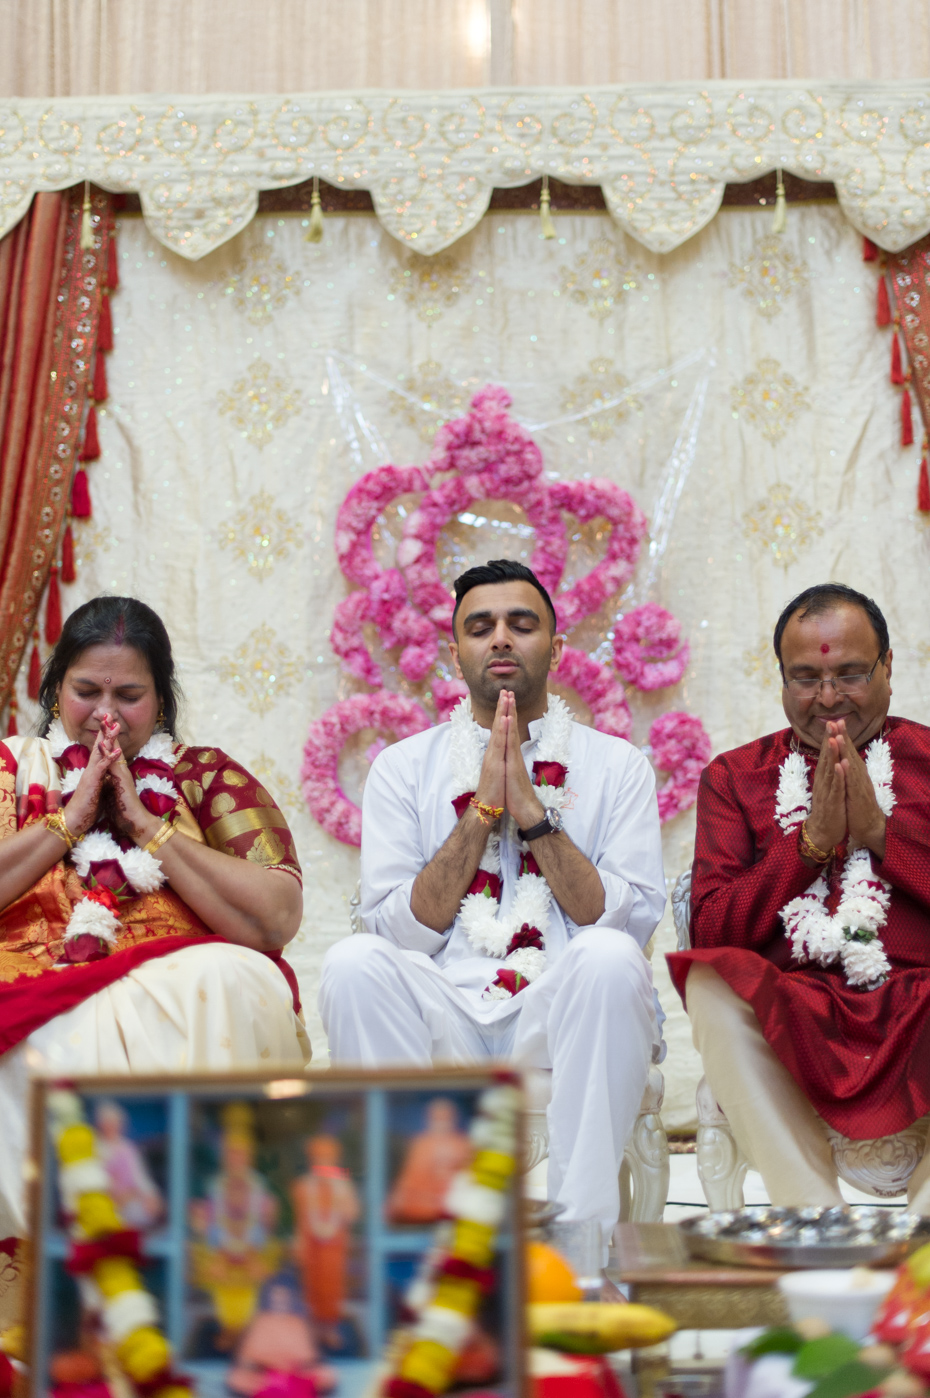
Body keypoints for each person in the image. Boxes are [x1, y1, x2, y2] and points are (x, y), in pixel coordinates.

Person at [320, 559, 666, 1243]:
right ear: (456, 653)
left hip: (560, 1002)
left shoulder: (618, 767)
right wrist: (481, 810)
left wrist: (534, 814)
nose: (501, 639)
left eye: (521, 624)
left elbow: (624, 920)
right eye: (480, 627)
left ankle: (582, 1252)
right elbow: (401, 933)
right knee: (355, 963)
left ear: (557, 648)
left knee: (608, 958)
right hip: (445, 1004)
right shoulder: (402, 769)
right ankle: (411, 1251)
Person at [0, 595, 309, 1240]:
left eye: (130, 696)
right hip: (28, 990)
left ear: (162, 702)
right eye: (87, 691)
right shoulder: (10, 768)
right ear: (56, 690)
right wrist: (67, 823)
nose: (105, 715)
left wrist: (147, 824)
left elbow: (276, 919)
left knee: (228, 975)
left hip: (177, 994)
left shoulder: (207, 776)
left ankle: (194, 1248)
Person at [667, 583, 930, 1210]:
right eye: (806, 677)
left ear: (888, 668)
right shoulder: (735, 778)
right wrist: (807, 845)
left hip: (923, 1008)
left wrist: (878, 835)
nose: (829, 699)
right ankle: (822, 1226)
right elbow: (711, 928)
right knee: (708, 981)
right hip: (797, 1011)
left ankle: (925, 1258)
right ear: (782, 679)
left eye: (850, 674)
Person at [291, 1134, 360, 1349]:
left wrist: (343, 1204)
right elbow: (300, 1219)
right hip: (312, 1248)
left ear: (335, 1160)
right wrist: (299, 1243)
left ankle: (330, 1329)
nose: (323, 1162)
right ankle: (312, 1330)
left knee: (332, 1287)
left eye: (328, 1158)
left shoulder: (344, 1186)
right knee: (311, 1287)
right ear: (312, 1160)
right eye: (319, 1158)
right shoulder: (303, 1186)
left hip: (335, 1248)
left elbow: (353, 1214)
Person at [385, 1097, 473, 1224]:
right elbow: (409, 1180)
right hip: (422, 1211)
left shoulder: (462, 1145)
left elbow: (469, 1180)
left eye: (445, 1118)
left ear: (453, 1119)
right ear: (429, 1119)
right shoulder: (421, 1144)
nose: (440, 1123)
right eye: (436, 1118)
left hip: (454, 1209)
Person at [94, 1099, 163, 1231]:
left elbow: (140, 1177)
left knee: (144, 1210)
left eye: (116, 1123)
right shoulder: (95, 1148)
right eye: (108, 1123)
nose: (112, 1126)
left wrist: (151, 1195)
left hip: (130, 1199)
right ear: (101, 1125)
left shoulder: (128, 1148)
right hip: (105, 1201)